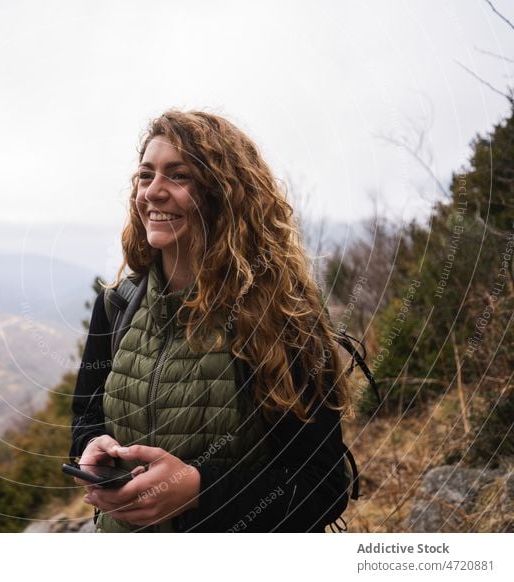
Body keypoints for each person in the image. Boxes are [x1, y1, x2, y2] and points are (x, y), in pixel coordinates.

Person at [69, 109, 354, 533]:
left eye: (178, 176)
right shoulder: (117, 306)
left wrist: (198, 490)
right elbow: (86, 417)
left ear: (223, 194)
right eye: (146, 176)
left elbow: (323, 486)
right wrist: (92, 446)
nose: (154, 192)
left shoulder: (280, 317)